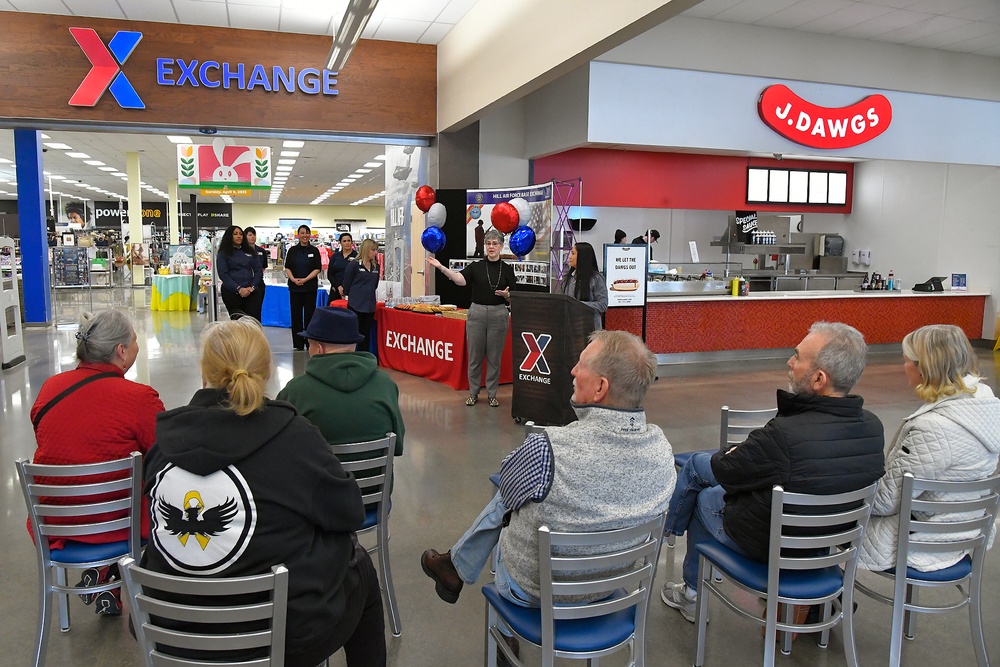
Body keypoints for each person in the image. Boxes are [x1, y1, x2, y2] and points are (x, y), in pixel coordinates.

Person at [141, 318, 386, 667]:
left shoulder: (162, 446)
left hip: (172, 631)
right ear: (267, 371)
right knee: (360, 566)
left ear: (204, 373)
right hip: (283, 636)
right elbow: (349, 513)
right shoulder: (294, 437)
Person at [420, 331, 675, 627]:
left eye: (581, 365)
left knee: (510, 505)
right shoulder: (662, 451)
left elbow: (508, 485)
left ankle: (494, 620)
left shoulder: (549, 447)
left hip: (532, 592)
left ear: (600, 388)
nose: (573, 371)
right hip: (610, 589)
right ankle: (453, 565)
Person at [661, 321, 886, 622]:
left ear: (819, 378)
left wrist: (735, 455)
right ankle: (679, 559)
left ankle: (685, 582)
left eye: (797, 356)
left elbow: (727, 471)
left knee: (703, 489)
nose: (789, 363)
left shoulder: (785, 434)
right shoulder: (873, 428)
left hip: (770, 544)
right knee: (708, 477)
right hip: (824, 544)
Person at [27, 310, 164, 615]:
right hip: (119, 524)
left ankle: (106, 577)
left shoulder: (49, 389)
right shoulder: (139, 398)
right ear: (121, 351)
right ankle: (126, 581)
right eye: (135, 340)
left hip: (56, 525)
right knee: (154, 495)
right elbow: (163, 454)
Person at [859, 324, 1000, 572]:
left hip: (925, 541)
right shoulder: (987, 407)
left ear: (924, 368)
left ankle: (822, 603)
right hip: (969, 530)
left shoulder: (932, 428)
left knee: (828, 526)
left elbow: (884, 502)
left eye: (906, 361)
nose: (904, 369)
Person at [277, 307, 405, 487]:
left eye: (310, 344)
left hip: (317, 504)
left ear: (319, 349)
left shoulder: (296, 390)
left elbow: (280, 452)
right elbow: (397, 446)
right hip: (372, 500)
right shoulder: (386, 385)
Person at [426, 228, 516, 407]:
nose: (491, 247)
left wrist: (506, 296)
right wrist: (442, 268)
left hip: (499, 313)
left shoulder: (507, 269)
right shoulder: (476, 266)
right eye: (488, 243)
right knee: (475, 356)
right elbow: (460, 280)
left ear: (501, 246)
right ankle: (473, 393)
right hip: (476, 313)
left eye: (495, 244)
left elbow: (515, 296)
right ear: (485, 246)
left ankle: (492, 394)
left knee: (494, 357)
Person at [284, 224, 322, 351]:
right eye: (302, 233)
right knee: (296, 315)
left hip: (310, 287)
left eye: (307, 233)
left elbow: (317, 268)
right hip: (295, 288)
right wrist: (293, 279)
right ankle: (298, 344)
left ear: (310, 235)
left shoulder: (314, 251)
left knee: (310, 315)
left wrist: (305, 280)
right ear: (298, 235)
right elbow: (287, 267)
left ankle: (310, 342)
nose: (305, 235)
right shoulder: (292, 250)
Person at [215, 225, 263, 321]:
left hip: (251, 292)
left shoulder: (250, 251)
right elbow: (223, 274)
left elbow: (258, 271)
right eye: (235, 234)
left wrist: (252, 287)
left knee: (254, 323)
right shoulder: (223, 253)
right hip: (232, 292)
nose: (239, 236)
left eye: (241, 234)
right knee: (238, 324)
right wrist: (239, 289)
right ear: (229, 236)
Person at [557, 242, 608, 330]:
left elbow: (602, 305)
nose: (569, 257)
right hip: (570, 327)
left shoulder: (596, 278)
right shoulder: (567, 278)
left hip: (590, 328)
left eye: (573, 253)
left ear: (582, 257)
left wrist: (577, 305)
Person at [343, 238, 380, 353]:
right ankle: (351, 356)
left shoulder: (376, 266)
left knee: (366, 334)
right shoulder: (353, 265)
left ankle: (363, 358)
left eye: (376, 250)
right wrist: (356, 295)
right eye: (373, 250)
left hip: (369, 306)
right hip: (356, 305)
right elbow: (347, 284)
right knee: (354, 333)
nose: (375, 253)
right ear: (366, 249)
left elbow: (375, 284)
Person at [327, 232, 358, 301]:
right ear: (340, 243)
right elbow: (330, 274)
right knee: (333, 311)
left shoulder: (357, 257)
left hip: (352, 290)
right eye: (344, 241)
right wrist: (338, 286)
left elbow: (358, 275)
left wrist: (346, 288)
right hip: (335, 289)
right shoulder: (335, 256)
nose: (347, 243)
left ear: (352, 242)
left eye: (349, 241)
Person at [244, 226, 268, 307]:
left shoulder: (262, 251)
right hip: (245, 284)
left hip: (259, 284)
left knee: (258, 308)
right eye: (250, 235)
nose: (253, 237)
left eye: (254, 235)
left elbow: (263, 267)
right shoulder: (241, 252)